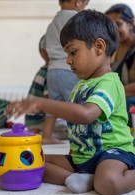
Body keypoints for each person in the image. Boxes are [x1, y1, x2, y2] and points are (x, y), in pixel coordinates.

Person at [6, 10, 135, 195]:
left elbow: (85, 114)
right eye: (67, 54)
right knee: (31, 160)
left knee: (108, 183)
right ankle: (77, 179)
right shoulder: (81, 85)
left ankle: (96, 177)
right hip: (81, 157)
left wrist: (41, 103)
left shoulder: (110, 83)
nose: (68, 60)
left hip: (112, 153)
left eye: (73, 52)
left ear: (99, 46)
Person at [40, 0, 90, 144]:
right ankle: (80, 138)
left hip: (52, 70)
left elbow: (42, 46)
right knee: (76, 104)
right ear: (78, 3)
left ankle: (47, 136)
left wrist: (50, 61)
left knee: (53, 104)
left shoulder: (52, 23)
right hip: (68, 70)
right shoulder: (77, 19)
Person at [25, 35, 67, 144]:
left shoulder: (43, 70)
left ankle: (38, 133)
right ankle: (47, 136)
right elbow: (50, 103)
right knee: (72, 129)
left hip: (32, 121)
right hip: (40, 121)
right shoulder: (52, 73)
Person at [105, 4, 135, 128]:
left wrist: (113, 93)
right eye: (110, 26)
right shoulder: (113, 50)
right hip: (119, 98)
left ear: (131, 24)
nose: (114, 30)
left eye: (118, 24)